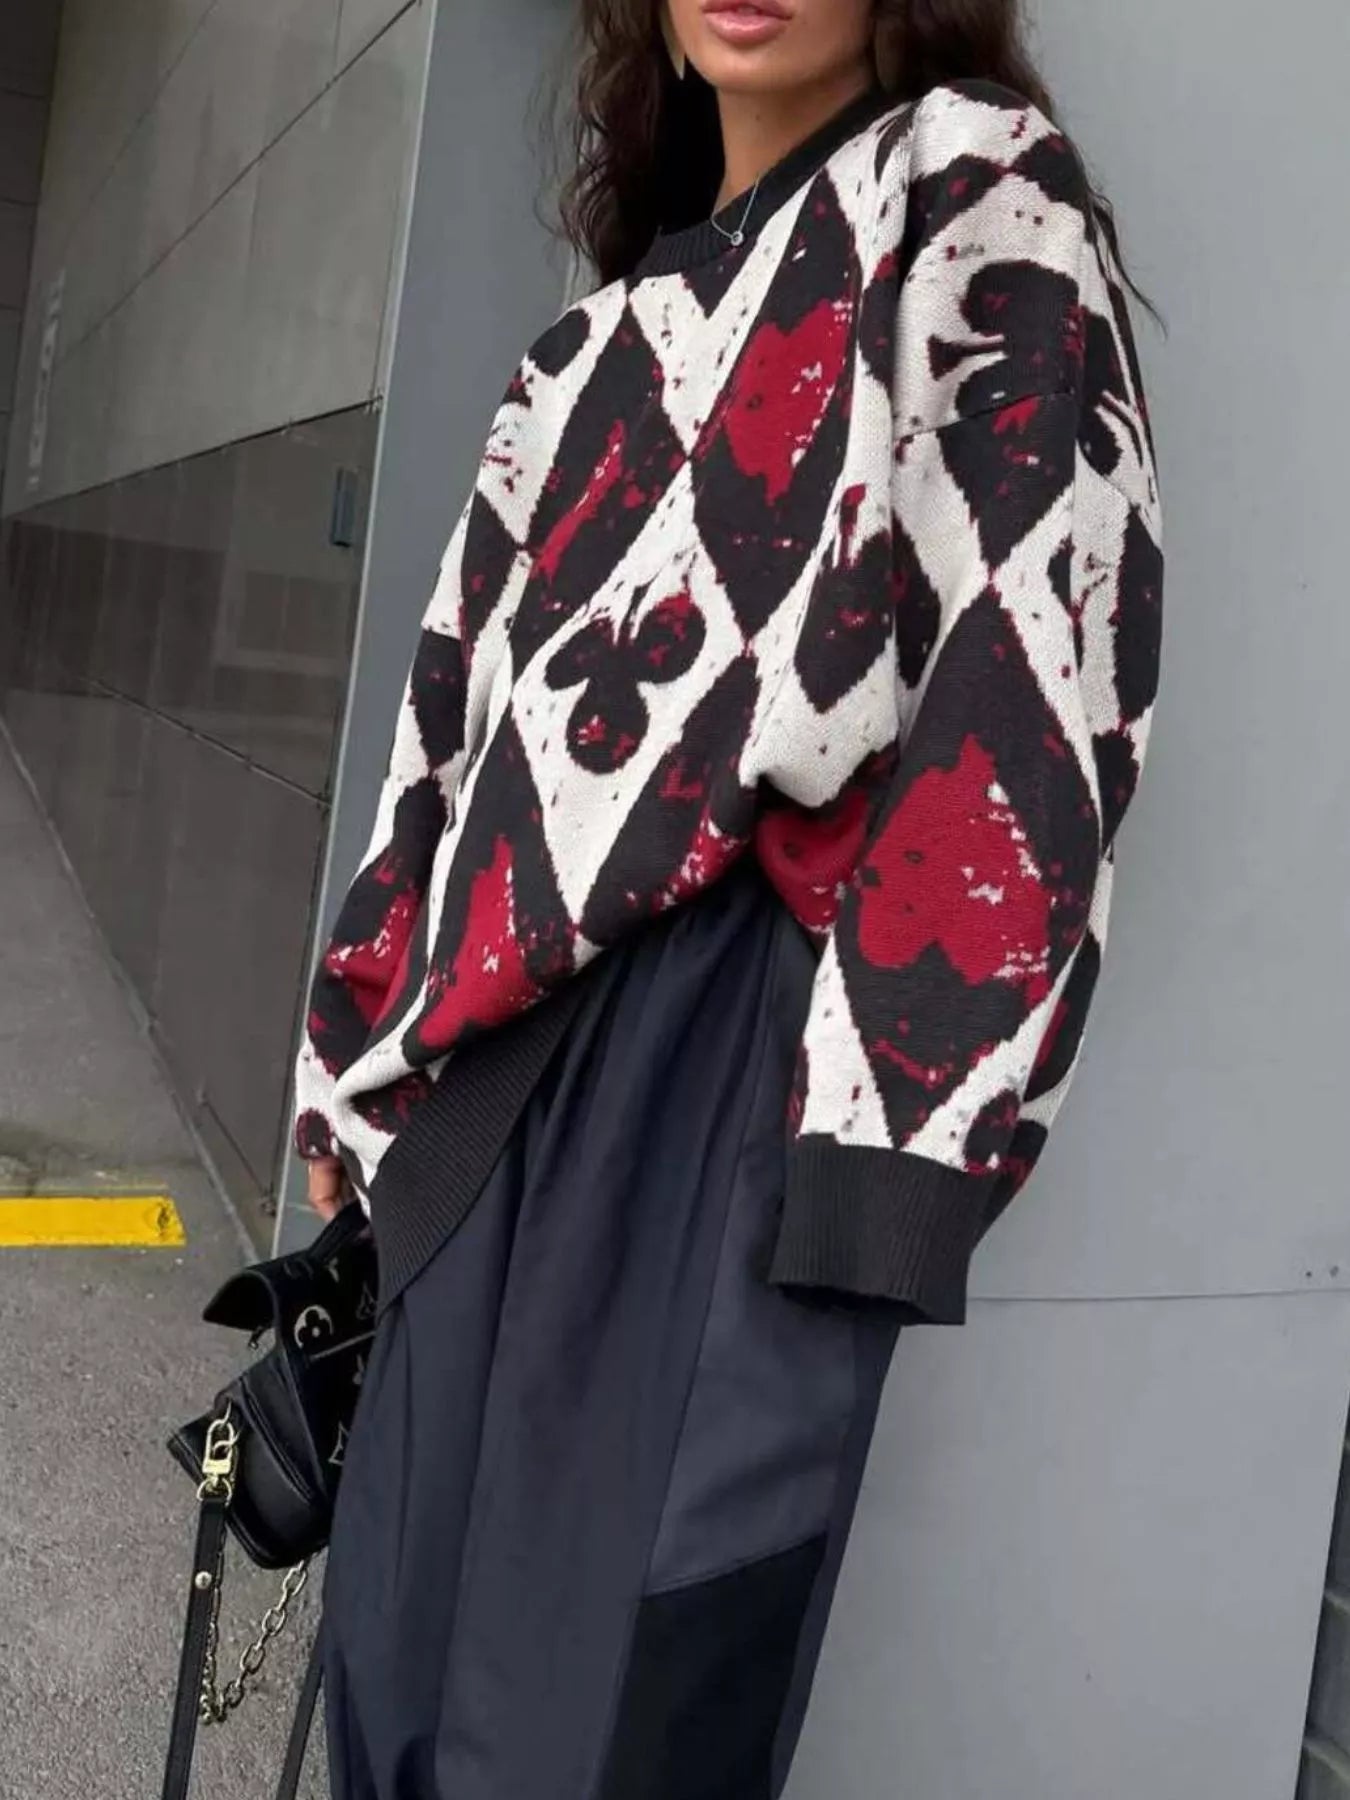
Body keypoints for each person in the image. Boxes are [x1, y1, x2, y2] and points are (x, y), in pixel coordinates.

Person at [293, 1, 1164, 1793]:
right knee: (394, 1663)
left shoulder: (975, 196)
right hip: (483, 1072)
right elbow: (448, 727)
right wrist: (354, 1058)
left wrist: (883, 1162)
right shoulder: (584, 344)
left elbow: (1031, 684)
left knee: (603, 1716)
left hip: (724, 1059)